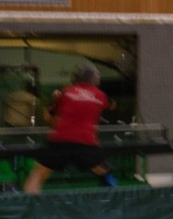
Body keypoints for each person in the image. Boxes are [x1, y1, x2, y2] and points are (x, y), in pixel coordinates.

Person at [23, 63, 118, 193]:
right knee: (104, 170)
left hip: (59, 141)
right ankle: (113, 194)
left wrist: (52, 103)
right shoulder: (101, 95)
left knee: (38, 174)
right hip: (86, 142)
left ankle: (29, 202)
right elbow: (112, 105)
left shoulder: (65, 91)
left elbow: (49, 118)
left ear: (75, 78)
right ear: (95, 80)